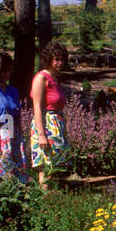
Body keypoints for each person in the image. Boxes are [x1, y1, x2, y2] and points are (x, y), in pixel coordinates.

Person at [30, 40, 70, 188]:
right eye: (57, 59)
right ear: (49, 59)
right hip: (46, 125)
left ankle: (53, 199)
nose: (60, 63)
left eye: (62, 59)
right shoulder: (41, 78)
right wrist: (41, 134)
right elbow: (37, 107)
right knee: (46, 166)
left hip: (57, 124)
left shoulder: (55, 79)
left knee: (55, 166)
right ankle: (45, 198)